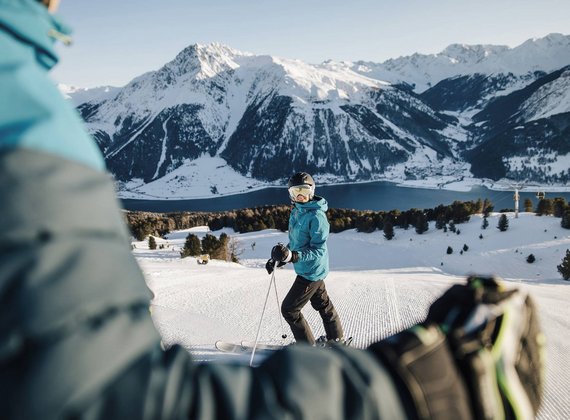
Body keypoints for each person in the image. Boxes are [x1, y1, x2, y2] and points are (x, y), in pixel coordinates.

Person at [0, 1, 545, 419]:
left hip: (311, 264)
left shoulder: (21, 107)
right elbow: (104, 396)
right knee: (320, 305)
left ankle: (324, 347)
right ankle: (333, 345)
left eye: (300, 192)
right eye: (293, 194)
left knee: (295, 310)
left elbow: (319, 240)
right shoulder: (22, 109)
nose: (296, 198)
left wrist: (293, 250)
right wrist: (401, 393)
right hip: (311, 267)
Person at [266, 172, 345, 346]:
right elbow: (296, 242)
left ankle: (307, 349)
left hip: (310, 271)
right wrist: (280, 259)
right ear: (290, 195)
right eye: (296, 192)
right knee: (324, 306)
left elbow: (319, 250)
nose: (300, 196)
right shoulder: (297, 212)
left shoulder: (316, 216)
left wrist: (293, 256)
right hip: (308, 268)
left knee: (290, 310)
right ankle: (337, 341)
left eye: (304, 191)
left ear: (312, 191)